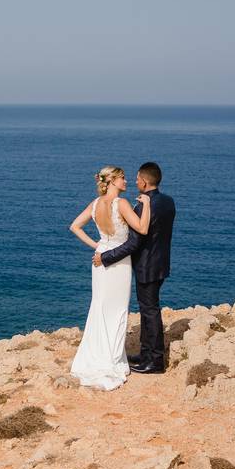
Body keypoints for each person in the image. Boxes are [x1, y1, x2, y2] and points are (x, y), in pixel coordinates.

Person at [68, 166, 151, 390]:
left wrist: (98, 246)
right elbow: (142, 229)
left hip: (100, 258)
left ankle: (95, 355)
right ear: (113, 180)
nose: (126, 181)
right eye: (123, 177)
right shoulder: (121, 204)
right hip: (118, 263)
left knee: (100, 307)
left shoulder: (95, 204)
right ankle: (112, 360)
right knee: (118, 310)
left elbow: (74, 226)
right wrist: (147, 204)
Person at [93, 162, 175, 374]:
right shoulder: (168, 202)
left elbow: (134, 243)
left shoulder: (141, 206)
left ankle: (155, 361)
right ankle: (145, 353)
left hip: (146, 266)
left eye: (138, 178)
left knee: (149, 312)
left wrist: (106, 257)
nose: (134, 181)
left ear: (145, 181)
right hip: (161, 263)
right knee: (149, 309)